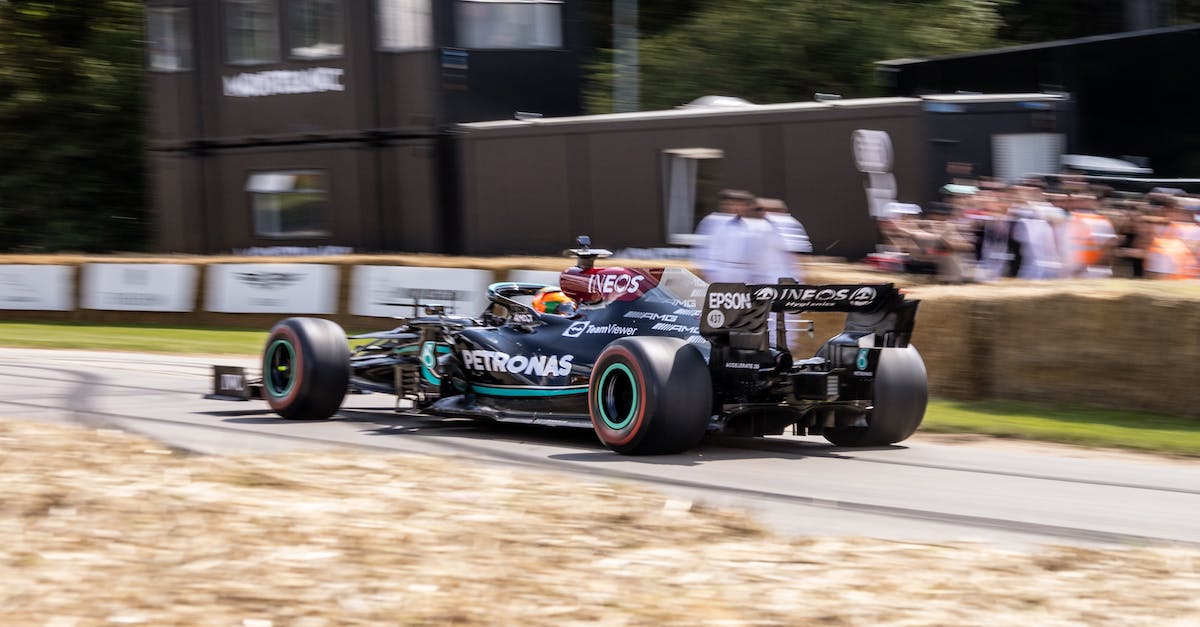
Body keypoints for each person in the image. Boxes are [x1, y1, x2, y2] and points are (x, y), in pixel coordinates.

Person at [695, 190, 792, 285]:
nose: (734, 207)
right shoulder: (713, 221)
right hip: (720, 277)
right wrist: (709, 273)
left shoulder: (755, 225)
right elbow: (703, 253)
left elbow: (759, 257)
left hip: (747, 279)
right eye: (729, 204)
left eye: (739, 204)